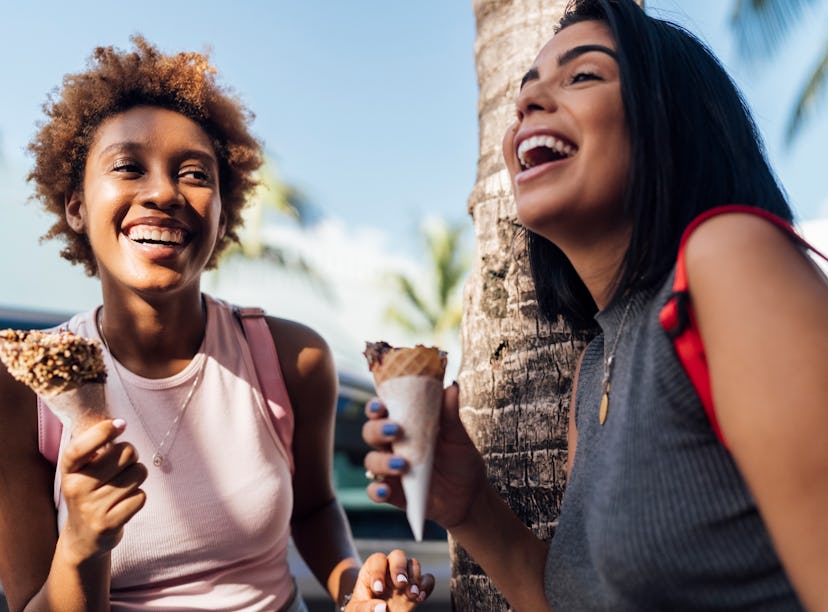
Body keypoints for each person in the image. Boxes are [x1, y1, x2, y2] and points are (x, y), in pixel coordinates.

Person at [362, 0, 828, 610]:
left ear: (670, 120)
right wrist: (469, 506)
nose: (527, 105)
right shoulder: (595, 366)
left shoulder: (729, 259)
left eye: (582, 76)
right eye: (522, 96)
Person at [0, 36, 434, 612]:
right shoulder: (23, 386)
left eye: (194, 174)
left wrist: (362, 590)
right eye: (128, 167)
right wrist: (81, 546)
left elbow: (314, 510)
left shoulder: (290, 358)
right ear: (76, 205)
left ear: (223, 212)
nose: (162, 192)